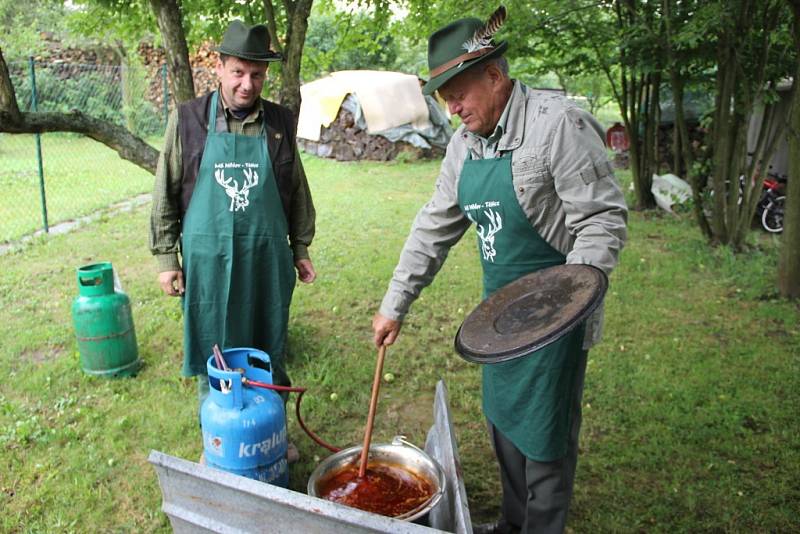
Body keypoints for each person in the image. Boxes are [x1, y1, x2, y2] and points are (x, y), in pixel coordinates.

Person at [372, 6, 627, 534]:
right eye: (445, 101)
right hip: (499, 319)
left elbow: (602, 220)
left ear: (494, 75)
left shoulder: (556, 125)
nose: (454, 109)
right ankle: (513, 525)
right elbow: (433, 227)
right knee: (505, 424)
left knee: (545, 438)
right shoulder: (465, 145)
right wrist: (395, 303)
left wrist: (567, 300)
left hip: (556, 316)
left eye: (459, 94)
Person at [149, 20, 316, 462]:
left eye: (257, 75)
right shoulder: (186, 121)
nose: (247, 84)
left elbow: (296, 189)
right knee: (213, 347)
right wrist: (168, 257)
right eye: (239, 72)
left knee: (269, 346)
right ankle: (218, 440)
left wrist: (300, 248)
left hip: (266, 258)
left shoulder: (279, 122)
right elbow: (164, 192)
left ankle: (273, 433)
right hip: (208, 262)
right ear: (220, 68)